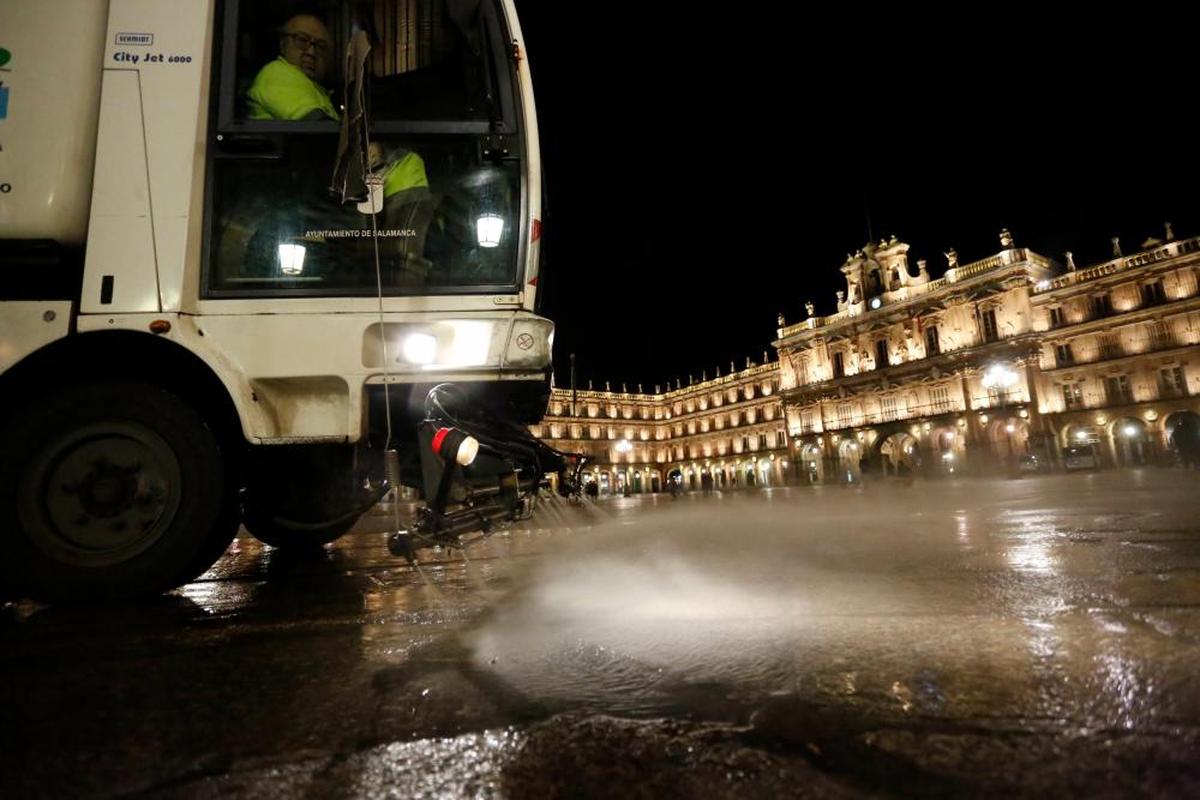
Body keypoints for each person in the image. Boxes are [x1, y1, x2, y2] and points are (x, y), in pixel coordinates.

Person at [247, 14, 338, 121]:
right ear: (283, 45)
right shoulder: (278, 73)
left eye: (321, 46)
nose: (311, 52)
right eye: (302, 40)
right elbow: (315, 124)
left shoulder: (315, 87)